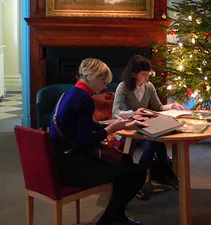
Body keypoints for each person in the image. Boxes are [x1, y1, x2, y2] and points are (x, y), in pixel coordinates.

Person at [50, 58, 148, 225]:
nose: (104, 87)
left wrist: (119, 125)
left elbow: (84, 125)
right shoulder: (85, 100)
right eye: (103, 82)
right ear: (92, 77)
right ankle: (110, 218)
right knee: (137, 172)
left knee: (125, 161)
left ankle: (117, 215)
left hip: (59, 161)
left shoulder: (70, 93)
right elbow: (86, 141)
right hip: (74, 168)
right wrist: (109, 130)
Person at [113, 55, 184, 199]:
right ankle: (167, 175)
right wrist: (134, 113)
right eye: (143, 74)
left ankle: (138, 181)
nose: (146, 77)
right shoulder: (123, 86)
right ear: (134, 74)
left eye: (147, 74)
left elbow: (157, 107)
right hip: (128, 128)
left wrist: (173, 105)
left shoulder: (149, 86)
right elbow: (116, 111)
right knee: (155, 145)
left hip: (145, 128)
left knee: (156, 143)